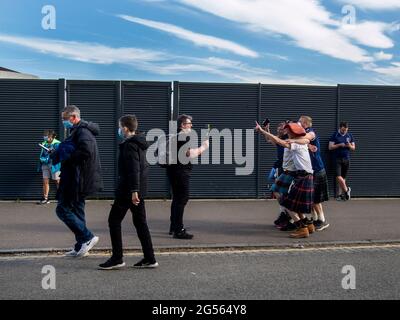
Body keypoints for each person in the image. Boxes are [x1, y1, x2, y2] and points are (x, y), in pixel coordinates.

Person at [99, 115, 158, 270]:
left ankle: (117, 258)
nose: (118, 129)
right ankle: (150, 258)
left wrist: (134, 191)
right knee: (140, 223)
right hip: (137, 189)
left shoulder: (130, 145)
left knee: (114, 221)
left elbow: (134, 170)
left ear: (125, 127)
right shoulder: (138, 142)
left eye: (120, 126)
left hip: (128, 190)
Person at [51, 105, 103, 258]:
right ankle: (81, 245)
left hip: (79, 179)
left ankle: (87, 237)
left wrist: (66, 157)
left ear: (73, 117)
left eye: (65, 119)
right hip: (79, 178)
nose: (63, 122)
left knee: (62, 210)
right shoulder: (78, 130)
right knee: (78, 211)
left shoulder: (82, 131)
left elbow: (86, 151)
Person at [255, 121, 314, 239]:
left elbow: (280, 141)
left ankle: (302, 228)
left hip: (300, 175)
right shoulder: (297, 142)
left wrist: (262, 131)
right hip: (302, 175)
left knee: (287, 204)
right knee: (293, 204)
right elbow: (276, 140)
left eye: (288, 130)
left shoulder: (296, 143)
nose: (286, 131)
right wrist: (265, 131)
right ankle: (308, 224)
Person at [167, 114, 209, 239]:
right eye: (189, 123)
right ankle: (178, 230)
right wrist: (204, 147)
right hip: (180, 172)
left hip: (173, 171)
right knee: (182, 199)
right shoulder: (183, 137)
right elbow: (189, 154)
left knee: (176, 199)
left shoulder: (176, 137)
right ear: (182, 125)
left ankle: (174, 226)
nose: (191, 125)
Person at [299, 116, 330, 231]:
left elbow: (308, 138)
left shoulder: (311, 132)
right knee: (311, 198)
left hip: (317, 170)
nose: (298, 123)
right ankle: (315, 218)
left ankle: (322, 220)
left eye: (300, 121)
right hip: (310, 170)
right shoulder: (302, 134)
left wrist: (305, 143)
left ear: (306, 123)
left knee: (316, 198)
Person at [329, 121, 356, 201]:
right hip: (337, 159)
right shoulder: (335, 135)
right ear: (340, 128)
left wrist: (349, 145)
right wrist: (339, 145)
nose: (344, 131)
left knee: (343, 178)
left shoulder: (350, 135)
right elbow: (330, 147)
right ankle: (347, 190)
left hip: (346, 159)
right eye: (343, 130)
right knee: (338, 176)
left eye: (346, 130)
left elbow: (354, 148)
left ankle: (341, 195)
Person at [37, 130, 61, 204]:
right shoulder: (44, 143)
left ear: (52, 137)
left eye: (47, 136)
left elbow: (60, 154)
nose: (45, 137)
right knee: (45, 181)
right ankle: (45, 198)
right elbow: (42, 153)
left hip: (54, 165)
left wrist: (53, 152)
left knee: (57, 181)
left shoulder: (57, 143)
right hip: (45, 164)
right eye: (45, 136)